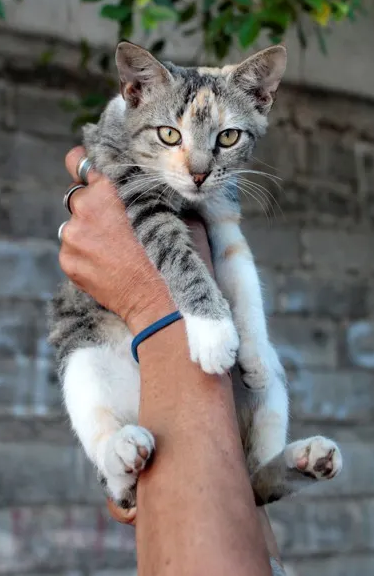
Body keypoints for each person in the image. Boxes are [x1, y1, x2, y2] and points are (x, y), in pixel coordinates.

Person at [57, 146, 284, 575]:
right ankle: (112, 454)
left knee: (267, 364)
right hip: (125, 358)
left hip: (191, 382)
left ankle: (269, 468)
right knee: (81, 358)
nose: (199, 164)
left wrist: (156, 309)